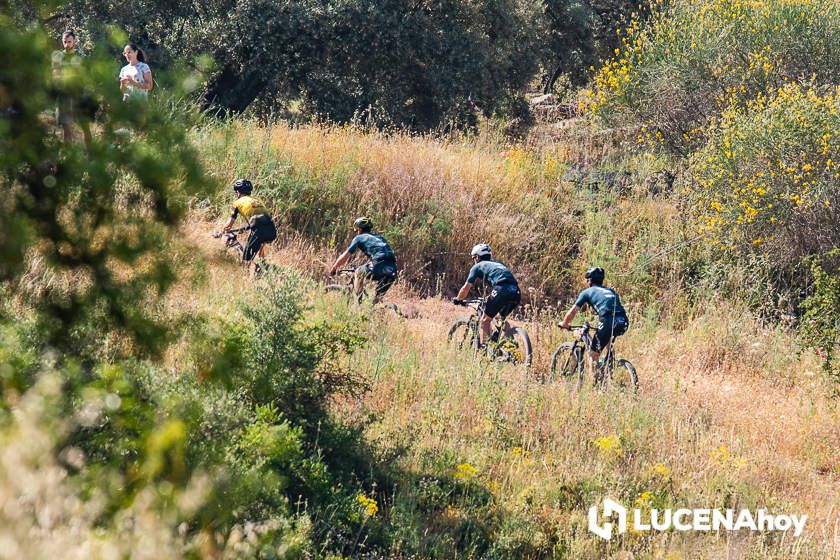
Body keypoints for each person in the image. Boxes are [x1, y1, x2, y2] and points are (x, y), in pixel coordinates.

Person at [558, 266, 629, 375]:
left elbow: (572, 312)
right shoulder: (610, 291)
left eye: (587, 279)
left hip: (608, 321)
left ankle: (595, 384)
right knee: (607, 337)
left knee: (592, 354)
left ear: (589, 280)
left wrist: (565, 323)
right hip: (623, 321)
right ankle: (608, 365)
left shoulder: (587, 292)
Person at [452, 243, 521, 347]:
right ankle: (510, 344)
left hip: (502, 289)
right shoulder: (498, 264)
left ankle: (485, 352)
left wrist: (458, 299)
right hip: (516, 291)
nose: (474, 260)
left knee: (485, 320)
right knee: (499, 318)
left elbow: (466, 287)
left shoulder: (477, 266)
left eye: (473, 258)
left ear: (477, 257)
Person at [328, 217, 398, 304]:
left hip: (379, 265)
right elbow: (382, 255)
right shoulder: (379, 237)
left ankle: (358, 304)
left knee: (358, 272)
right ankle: (379, 311)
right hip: (392, 268)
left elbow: (345, 256)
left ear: (359, 229)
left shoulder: (359, 238)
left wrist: (334, 268)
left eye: (357, 229)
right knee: (376, 302)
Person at [220, 179, 277, 274]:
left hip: (259, 231)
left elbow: (228, 225)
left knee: (246, 259)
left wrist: (222, 232)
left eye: (236, 192)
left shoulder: (237, 203)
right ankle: (262, 267)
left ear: (238, 192)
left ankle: (245, 277)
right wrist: (240, 229)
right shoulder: (257, 201)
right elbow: (258, 220)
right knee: (259, 249)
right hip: (272, 231)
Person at [52, 30, 81, 142]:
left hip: (78, 95)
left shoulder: (79, 58)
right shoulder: (58, 56)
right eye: (65, 42)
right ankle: (68, 156)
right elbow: (55, 76)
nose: (67, 44)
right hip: (63, 95)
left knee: (81, 128)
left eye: (69, 42)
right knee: (66, 128)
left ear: (75, 41)